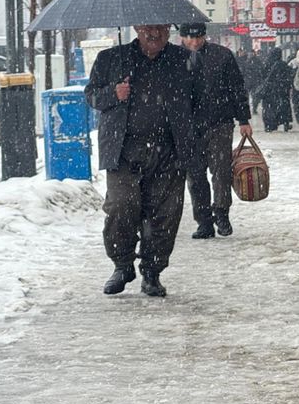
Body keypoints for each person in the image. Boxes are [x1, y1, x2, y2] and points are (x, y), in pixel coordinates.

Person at [85, 24, 197, 298]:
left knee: (164, 215)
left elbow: (200, 103)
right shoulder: (111, 59)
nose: (154, 33)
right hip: (124, 151)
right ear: (136, 28)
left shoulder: (184, 60)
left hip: (169, 151)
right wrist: (114, 93)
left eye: (160, 27)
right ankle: (122, 265)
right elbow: (91, 96)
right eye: (148, 27)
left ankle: (152, 271)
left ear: (169, 29)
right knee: (121, 207)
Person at [179, 22, 253, 240]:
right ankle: (203, 221)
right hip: (188, 127)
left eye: (198, 37)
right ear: (182, 37)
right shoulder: (172, 59)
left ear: (204, 36)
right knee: (195, 176)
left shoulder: (222, 56)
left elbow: (237, 87)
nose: (194, 42)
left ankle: (221, 212)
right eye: (190, 38)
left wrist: (243, 119)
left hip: (219, 122)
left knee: (221, 171)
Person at [258, 47, 294, 132]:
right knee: (283, 106)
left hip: (269, 89)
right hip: (282, 89)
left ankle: (269, 124)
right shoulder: (282, 64)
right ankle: (284, 121)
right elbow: (289, 75)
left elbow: (261, 75)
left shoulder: (266, 63)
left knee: (268, 107)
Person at [237, 48, 264, 115]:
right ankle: (252, 108)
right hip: (251, 81)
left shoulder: (252, 61)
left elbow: (242, 71)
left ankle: (252, 108)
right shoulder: (246, 60)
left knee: (252, 95)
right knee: (252, 95)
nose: (250, 54)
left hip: (251, 81)